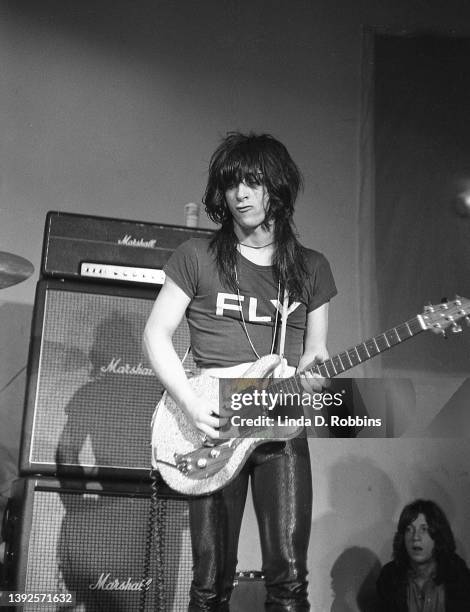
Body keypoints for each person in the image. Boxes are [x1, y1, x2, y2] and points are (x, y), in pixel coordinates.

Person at [143, 132, 337, 611]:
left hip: (281, 422)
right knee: (210, 584)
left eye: (253, 182)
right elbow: (154, 335)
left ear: (279, 187)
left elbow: (316, 353)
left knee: (290, 580)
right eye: (232, 184)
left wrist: (317, 375)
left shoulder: (310, 268)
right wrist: (190, 402)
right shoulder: (197, 256)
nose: (241, 194)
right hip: (214, 422)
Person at [376, 499, 470, 612]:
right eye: (409, 529)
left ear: (438, 535)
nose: (415, 537)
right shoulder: (389, 578)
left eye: (424, 529)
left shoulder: (458, 576)